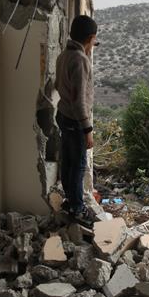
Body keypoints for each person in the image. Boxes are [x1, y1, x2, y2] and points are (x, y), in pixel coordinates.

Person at [55, 15, 98, 225]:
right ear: (90, 38)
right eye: (94, 41)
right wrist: (87, 129)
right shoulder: (80, 60)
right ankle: (77, 208)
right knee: (78, 165)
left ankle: (70, 201)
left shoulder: (63, 55)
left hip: (63, 115)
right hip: (75, 121)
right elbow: (80, 101)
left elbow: (58, 85)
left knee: (68, 162)